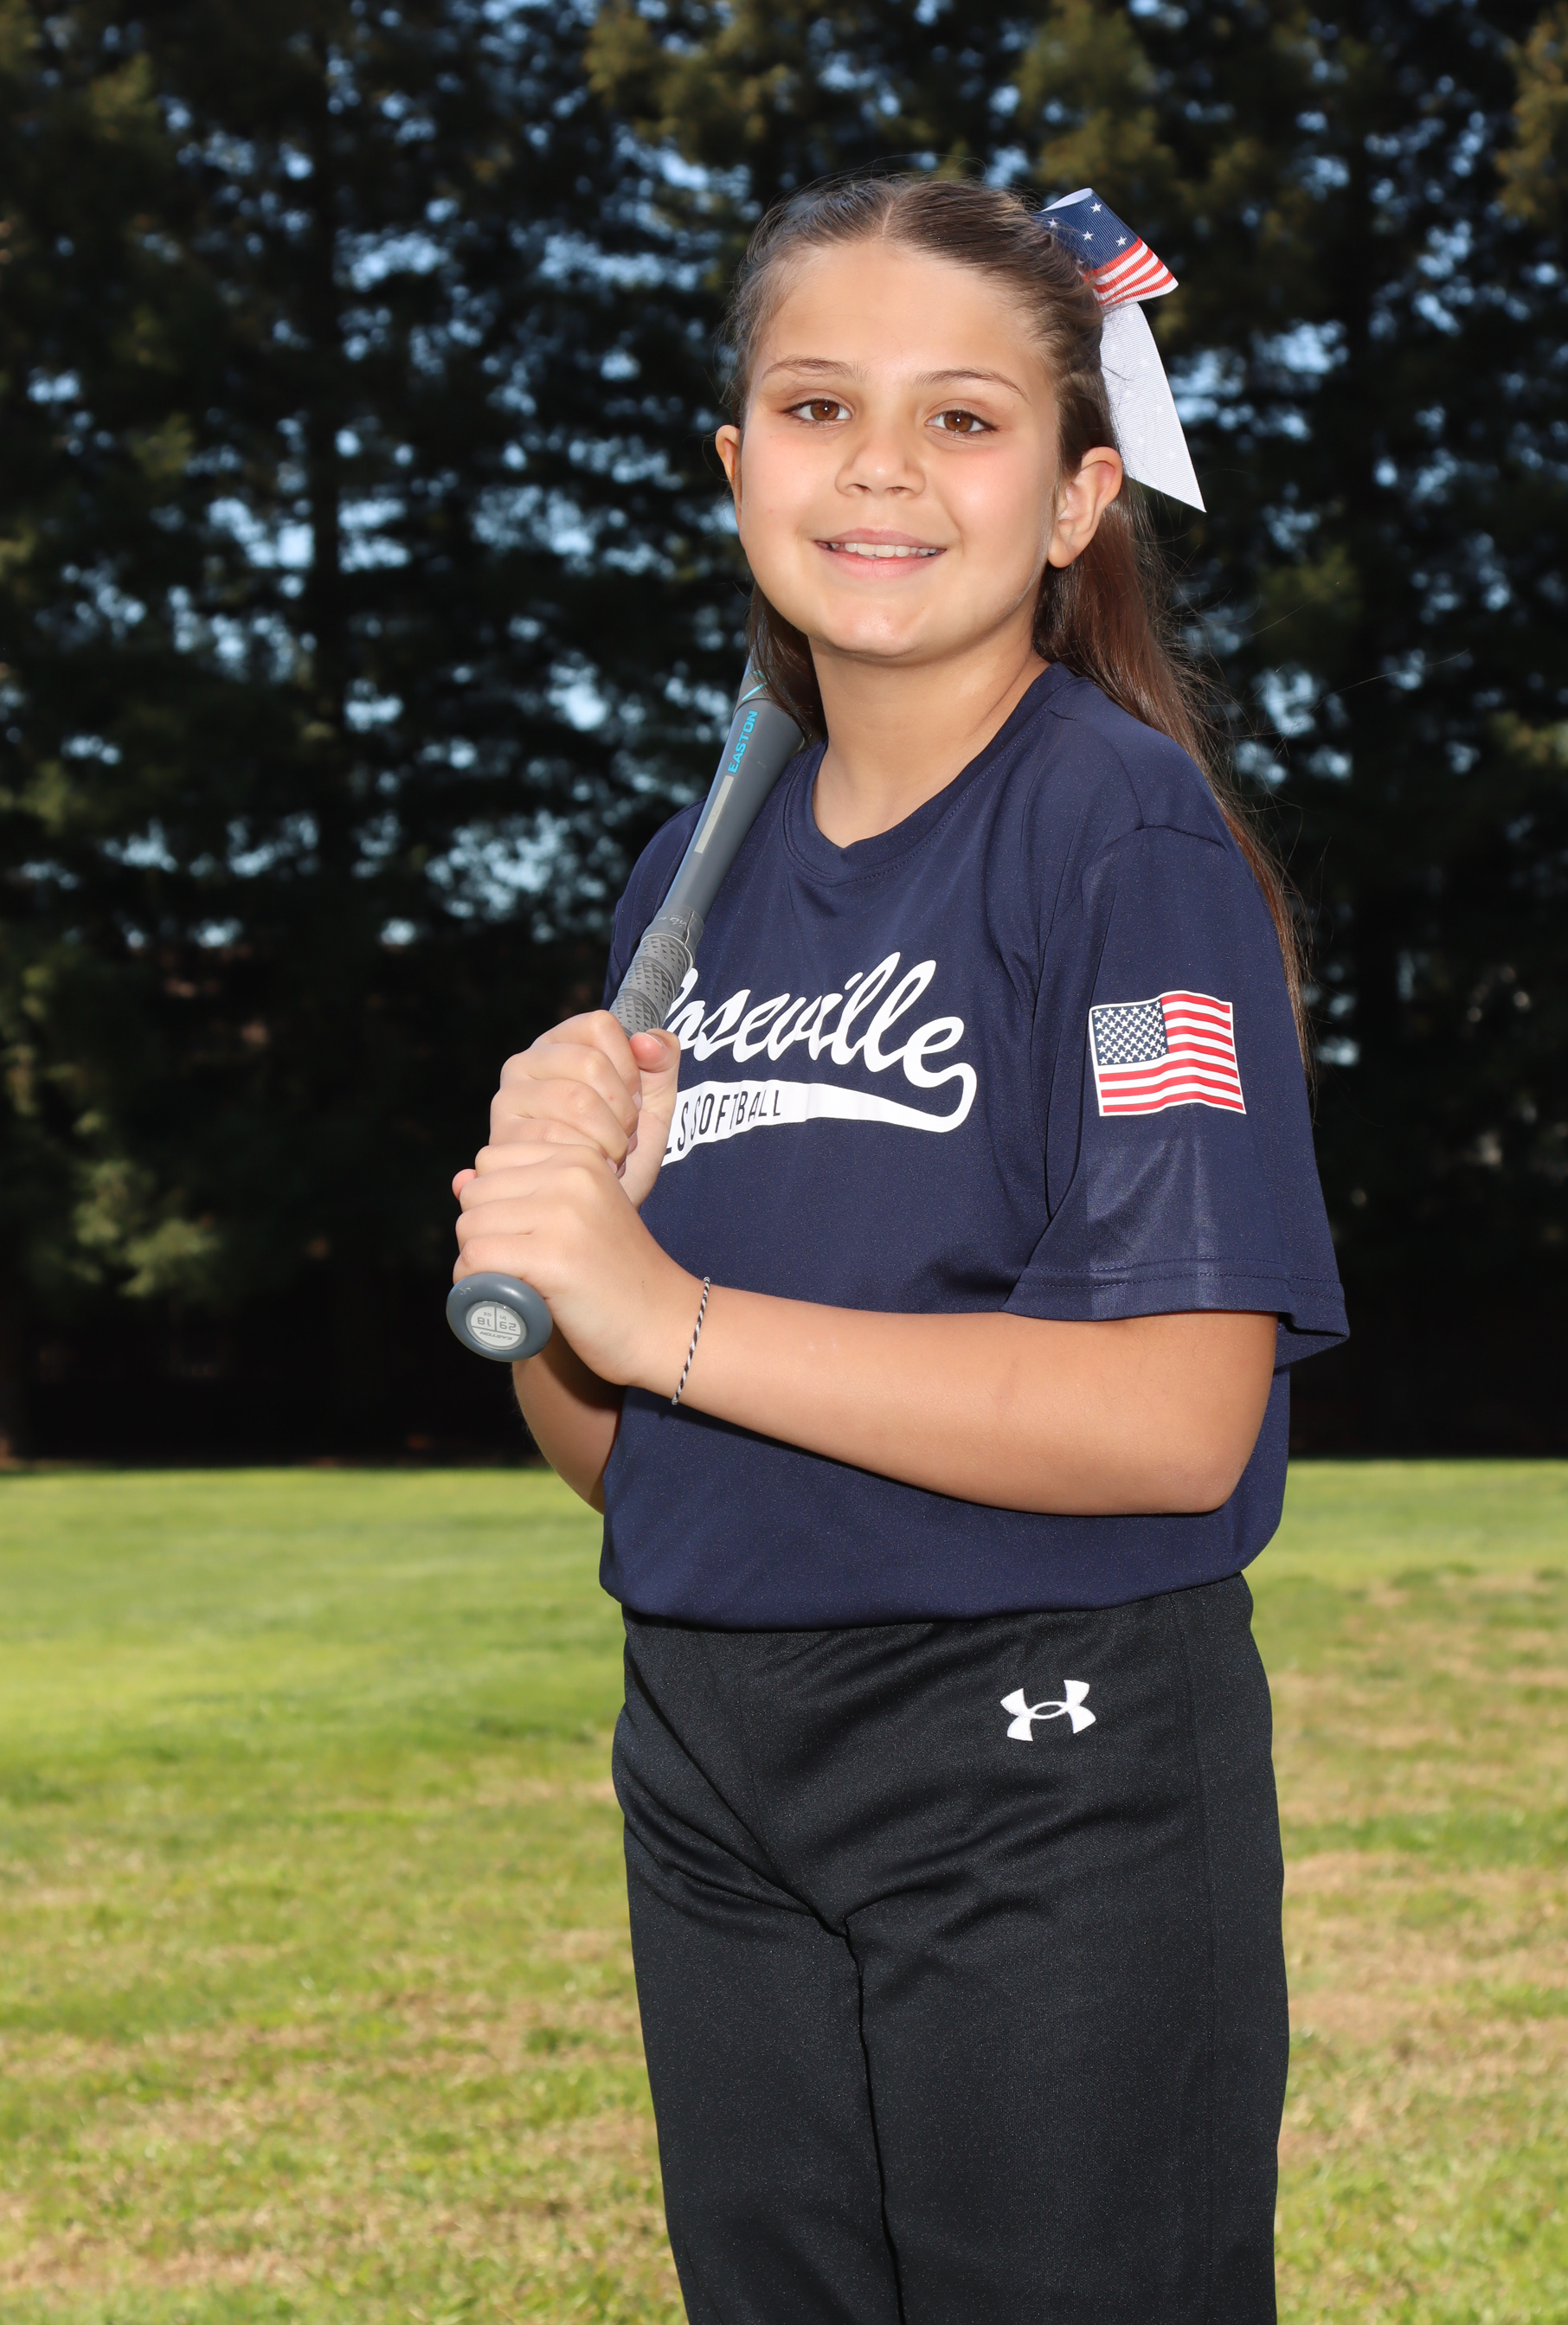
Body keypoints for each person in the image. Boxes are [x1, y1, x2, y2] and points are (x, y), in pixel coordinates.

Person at [453, 174, 1346, 2325]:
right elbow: (634, 1454)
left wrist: (665, 1307)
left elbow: (1171, 1414)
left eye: (962, 418)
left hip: (1037, 1759)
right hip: (711, 1749)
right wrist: (558, 1261)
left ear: (1075, 500)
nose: (878, 466)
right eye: (816, 404)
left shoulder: (1119, 834)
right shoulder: (691, 871)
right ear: (733, 463)